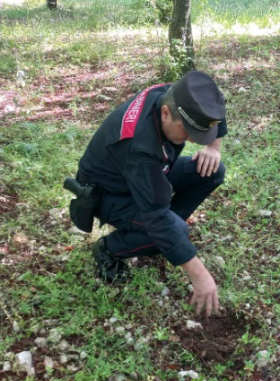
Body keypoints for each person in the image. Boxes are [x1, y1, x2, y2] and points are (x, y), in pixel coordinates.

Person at [74, 71, 227, 317]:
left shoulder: (178, 94)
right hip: (112, 192)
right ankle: (110, 248)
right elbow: (155, 215)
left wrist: (213, 147)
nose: (193, 140)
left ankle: (162, 239)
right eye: (189, 133)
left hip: (155, 170)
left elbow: (214, 107)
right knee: (172, 229)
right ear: (165, 113)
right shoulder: (140, 147)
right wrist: (200, 275)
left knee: (212, 170)